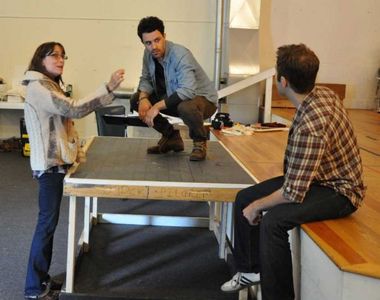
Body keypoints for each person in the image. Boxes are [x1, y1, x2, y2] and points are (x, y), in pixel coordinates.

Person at [220, 44, 365, 300]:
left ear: (283, 81)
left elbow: (292, 192)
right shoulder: (323, 94)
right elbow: (297, 180)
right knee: (244, 197)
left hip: (340, 191)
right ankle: (251, 271)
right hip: (317, 179)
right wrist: (253, 203)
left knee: (273, 222)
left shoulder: (312, 126)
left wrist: (258, 207)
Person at [22, 41, 124, 300]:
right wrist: (108, 87)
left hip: (56, 167)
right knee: (45, 225)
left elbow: (66, 119)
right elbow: (74, 108)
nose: (60, 60)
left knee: (49, 224)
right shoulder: (38, 89)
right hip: (49, 169)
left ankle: (41, 280)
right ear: (40, 59)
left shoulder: (49, 86)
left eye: (62, 55)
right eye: (53, 55)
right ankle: (33, 289)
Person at [131, 16, 218, 161]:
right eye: (148, 43)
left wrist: (156, 107)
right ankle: (171, 137)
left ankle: (200, 143)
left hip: (203, 101)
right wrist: (143, 98)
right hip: (174, 98)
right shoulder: (148, 54)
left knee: (186, 106)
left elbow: (188, 90)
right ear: (143, 43)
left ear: (164, 36)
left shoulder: (180, 54)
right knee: (135, 100)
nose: (154, 47)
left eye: (157, 40)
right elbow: (145, 79)